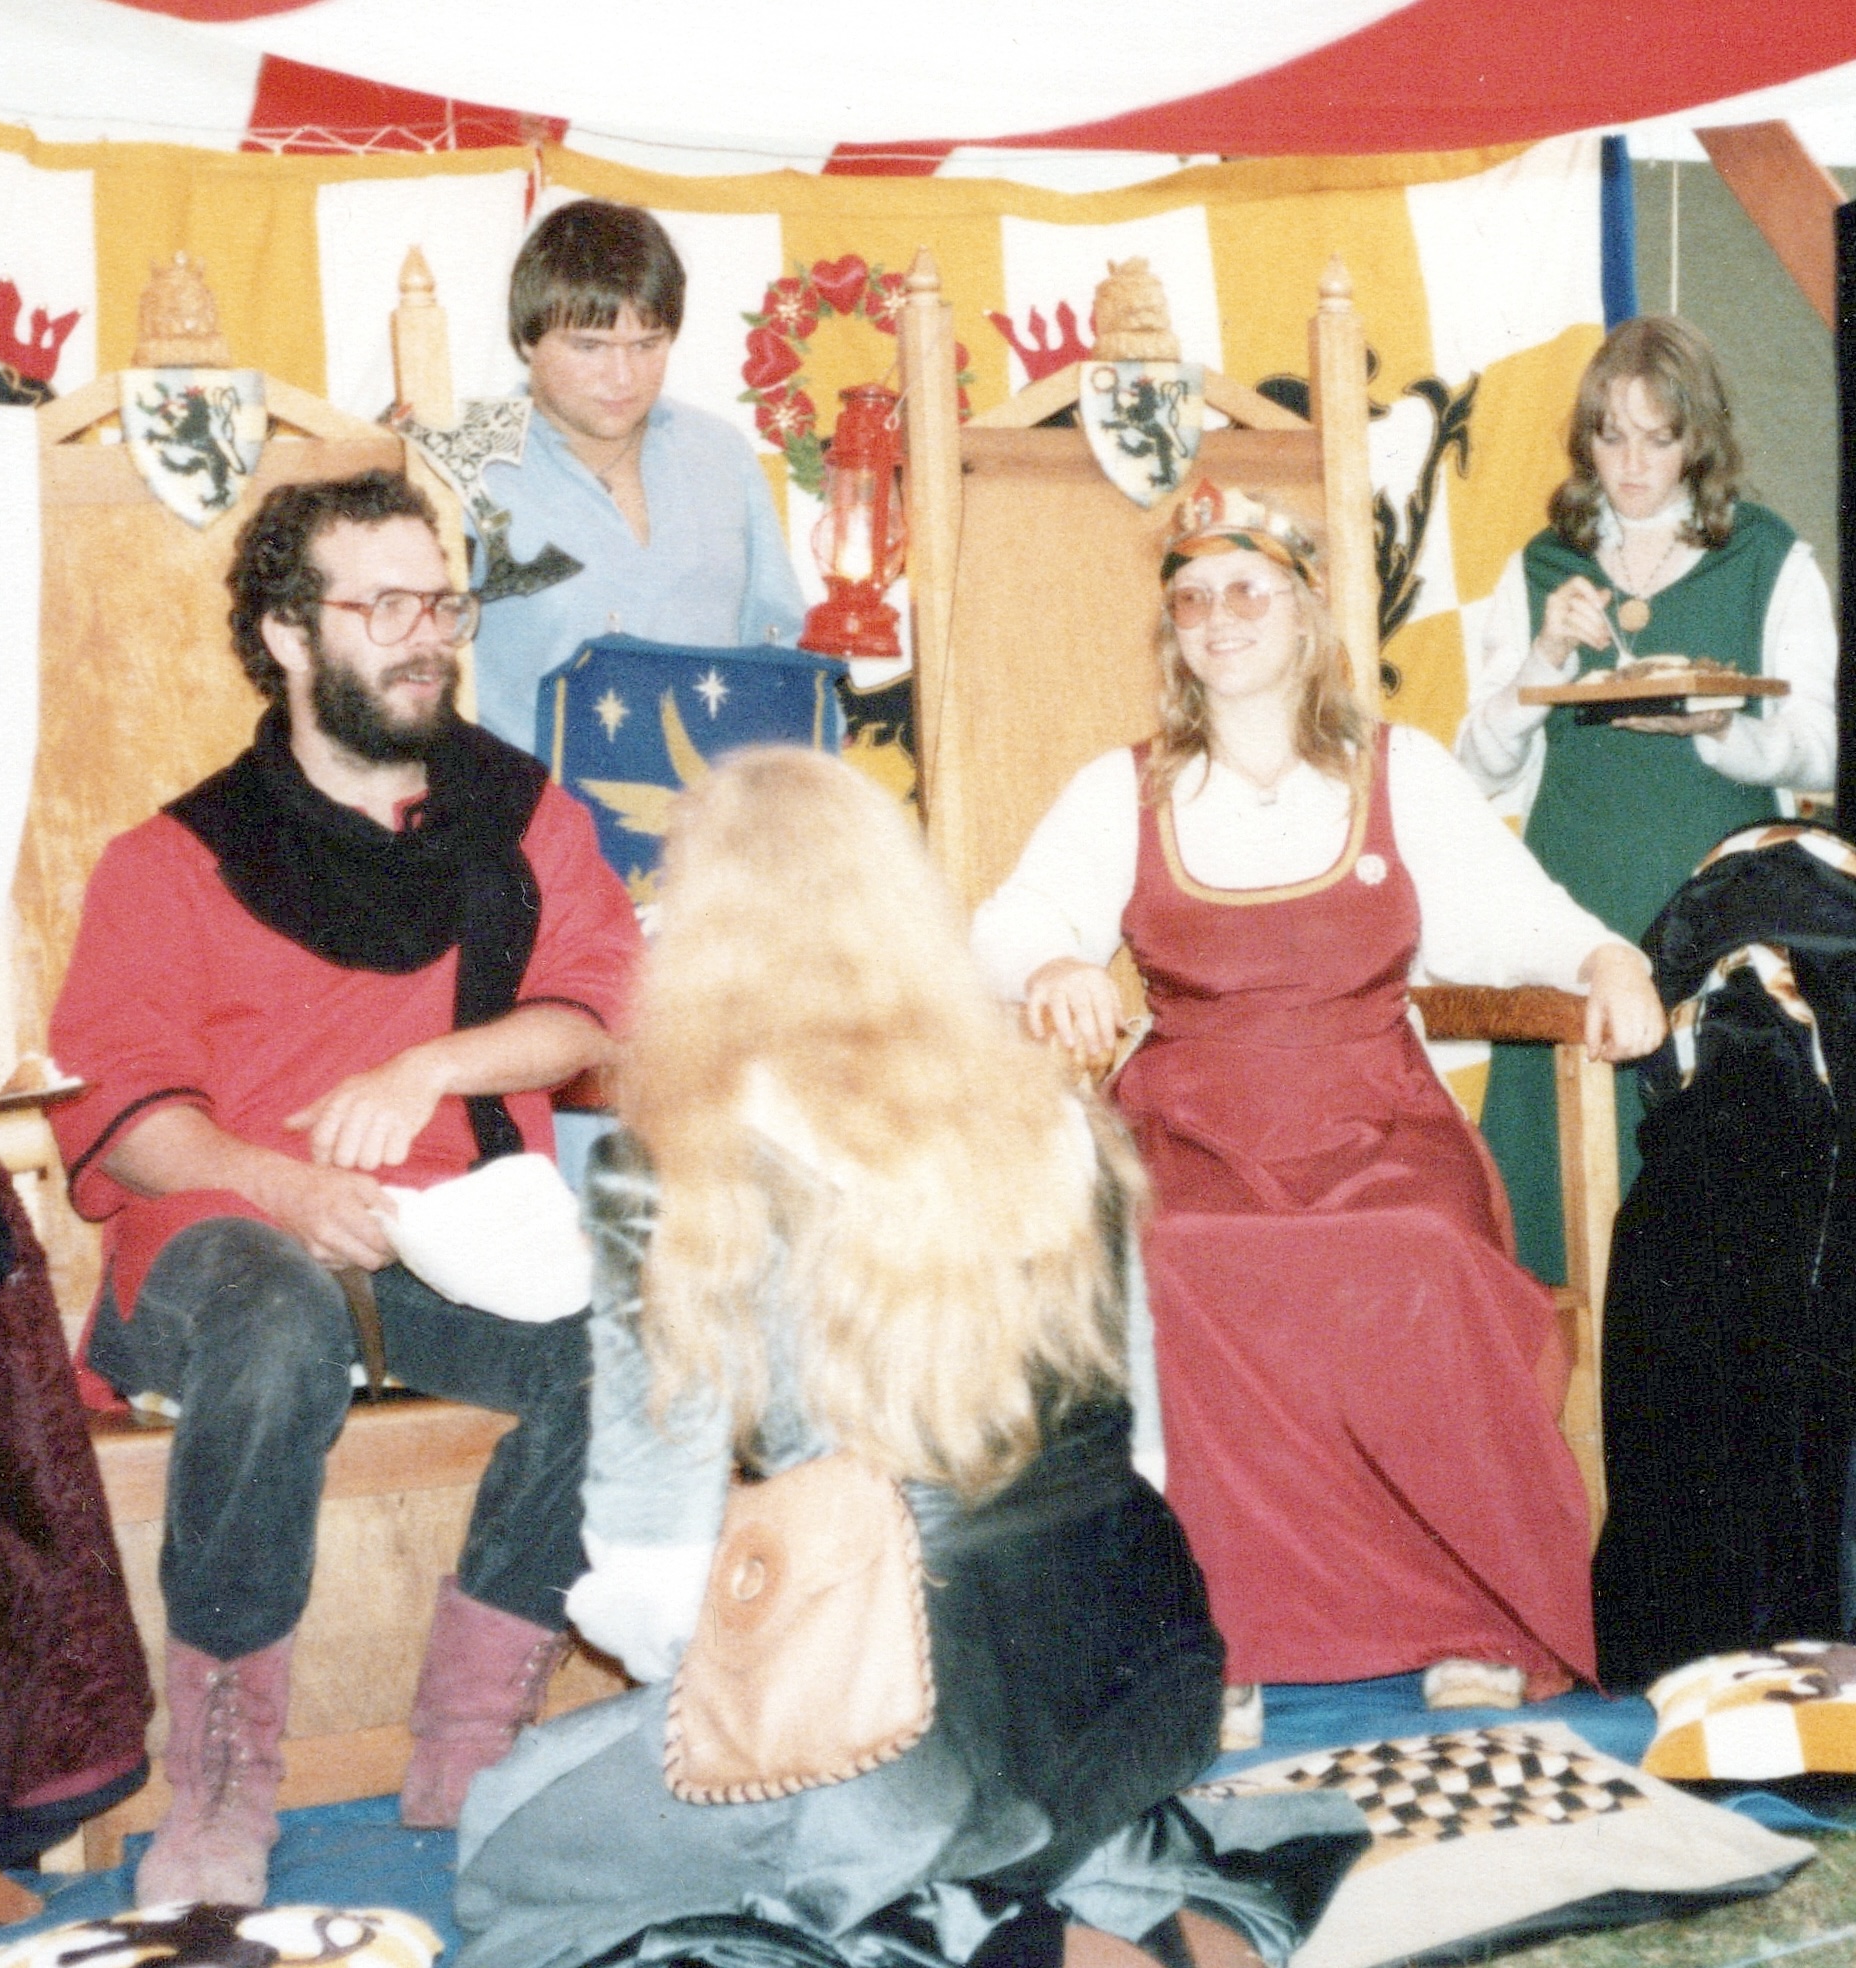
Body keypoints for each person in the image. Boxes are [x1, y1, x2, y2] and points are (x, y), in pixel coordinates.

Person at [456, 749, 1334, 1968]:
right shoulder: (1057, 1114)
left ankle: (982, 1929)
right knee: (958, 1798)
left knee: (509, 1840)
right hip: (1144, 1671)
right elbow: (1139, 1444)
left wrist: (728, 1669)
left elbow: (653, 1588)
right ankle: (1082, 1893)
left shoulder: (673, 1170)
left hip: (902, 1724)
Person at [969, 483, 1663, 1732]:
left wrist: (1608, 958)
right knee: (1174, 1258)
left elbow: (1515, 914)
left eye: (1249, 590)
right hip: (1186, 1127)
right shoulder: (1125, 790)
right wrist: (1054, 964)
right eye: (1192, 598)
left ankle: (1469, 1618)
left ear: (1304, 613)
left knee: (1419, 1251)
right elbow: (1011, 920)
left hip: (1378, 1120)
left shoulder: (1402, 774)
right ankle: (1219, 1630)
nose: (1219, 616)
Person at [47, 470, 643, 1906]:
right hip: (221, 1235)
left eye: (439, 601)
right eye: (383, 607)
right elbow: (126, 1121)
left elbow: (599, 1014)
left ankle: (468, 1742)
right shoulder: (170, 858)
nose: (425, 634)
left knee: (645, 1337)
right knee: (275, 1320)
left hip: (451, 1235)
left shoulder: (521, 815)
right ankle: (223, 1780)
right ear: (289, 633)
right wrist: (283, 1186)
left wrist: (431, 1067)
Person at [1453, 316, 1836, 1283]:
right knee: (1559, 1212)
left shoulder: (1767, 557)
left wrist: (1721, 729)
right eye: (1611, 436)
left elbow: (1828, 747)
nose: (1631, 465)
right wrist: (1544, 656)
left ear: (1698, 440)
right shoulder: (1543, 567)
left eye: (1658, 439)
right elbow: (1476, 770)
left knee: (1713, 1219)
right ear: (1585, 438)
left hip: (1717, 916)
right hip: (1571, 916)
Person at [471, 199, 804, 758]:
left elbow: (779, 648)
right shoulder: (468, 469)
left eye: (647, 345)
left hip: (712, 803)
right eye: (590, 346)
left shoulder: (720, 455)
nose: (623, 376)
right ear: (527, 339)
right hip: (526, 805)